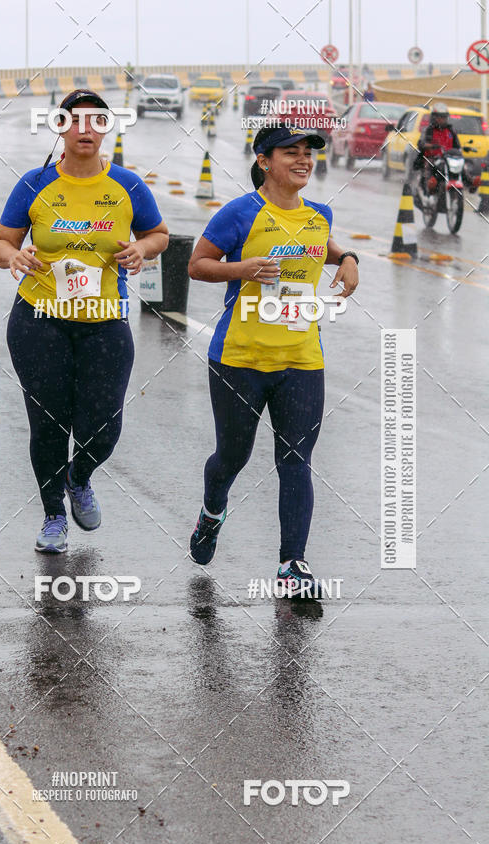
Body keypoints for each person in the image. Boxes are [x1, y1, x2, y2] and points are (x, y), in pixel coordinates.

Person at [0, 90, 169, 553]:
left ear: (107, 127)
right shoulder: (34, 184)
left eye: (96, 121)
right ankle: (53, 516)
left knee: (104, 422)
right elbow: (0, 242)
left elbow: (158, 234)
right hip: (39, 318)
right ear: (60, 127)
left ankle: (79, 476)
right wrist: (16, 256)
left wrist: (142, 250)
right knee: (48, 422)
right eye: (74, 121)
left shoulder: (127, 185)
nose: (85, 130)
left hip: (105, 319)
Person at [187, 125, 359, 600]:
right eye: (291, 154)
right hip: (239, 358)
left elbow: (322, 244)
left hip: (301, 360)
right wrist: (240, 269)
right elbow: (198, 264)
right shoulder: (240, 213)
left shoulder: (319, 215)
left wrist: (349, 258)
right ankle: (212, 511)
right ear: (264, 161)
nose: (303, 161)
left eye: (308, 154)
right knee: (232, 458)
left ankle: (292, 565)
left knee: (296, 461)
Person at [414, 102, 460, 197]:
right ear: (434, 117)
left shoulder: (451, 130)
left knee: (461, 167)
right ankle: (428, 191)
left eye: (443, 117)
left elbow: (457, 146)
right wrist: (430, 146)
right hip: (432, 158)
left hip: (447, 159)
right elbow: (421, 143)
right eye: (439, 117)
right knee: (429, 169)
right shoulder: (428, 130)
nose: (441, 120)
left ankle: (470, 182)